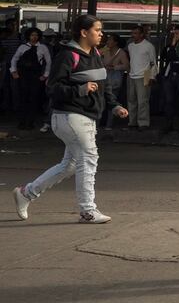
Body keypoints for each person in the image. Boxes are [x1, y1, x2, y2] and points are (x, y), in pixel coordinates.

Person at [12, 14, 128, 224]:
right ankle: (87, 210)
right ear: (84, 32)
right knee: (88, 159)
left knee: (71, 164)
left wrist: (115, 105)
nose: (101, 34)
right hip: (70, 116)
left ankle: (26, 193)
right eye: (97, 30)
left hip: (83, 117)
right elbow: (52, 88)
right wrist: (80, 90)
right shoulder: (67, 56)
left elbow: (104, 86)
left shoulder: (95, 54)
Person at [10, 27, 52, 131]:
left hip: (36, 77)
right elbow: (14, 59)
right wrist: (14, 72)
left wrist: (45, 75)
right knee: (22, 98)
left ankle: (30, 122)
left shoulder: (43, 47)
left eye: (36, 35)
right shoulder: (22, 47)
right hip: (23, 76)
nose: (34, 37)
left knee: (34, 99)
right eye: (32, 35)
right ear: (28, 36)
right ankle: (22, 121)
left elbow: (49, 62)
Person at [125, 25, 157, 131]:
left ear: (142, 34)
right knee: (131, 100)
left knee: (143, 101)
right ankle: (132, 121)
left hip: (145, 74)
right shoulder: (130, 46)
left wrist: (152, 76)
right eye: (132, 33)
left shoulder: (149, 46)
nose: (133, 35)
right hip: (132, 75)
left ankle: (143, 123)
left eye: (135, 33)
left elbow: (153, 62)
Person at [100, 34, 129, 130]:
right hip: (104, 79)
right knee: (103, 101)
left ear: (115, 42)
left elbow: (126, 66)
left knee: (112, 102)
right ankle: (102, 122)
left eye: (110, 40)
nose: (107, 42)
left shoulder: (121, 53)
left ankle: (109, 124)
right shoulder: (106, 50)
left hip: (115, 80)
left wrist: (114, 67)